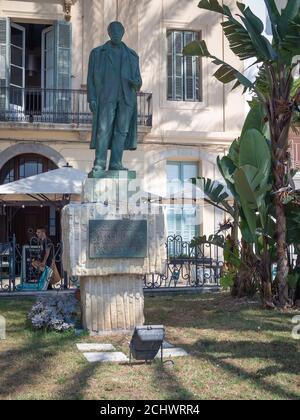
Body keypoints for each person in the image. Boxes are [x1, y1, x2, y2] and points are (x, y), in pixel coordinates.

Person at [87, 21, 142, 173]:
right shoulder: (98, 53)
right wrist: (91, 98)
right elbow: (90, 78)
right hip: (106, 97)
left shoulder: (132, 56)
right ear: (109, 33)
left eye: (119, 31)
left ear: (123, 33)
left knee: (122, 131)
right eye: (113, 31)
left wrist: (137, 83)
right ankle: (99, 163)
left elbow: (138, 80)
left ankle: (116, 163)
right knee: (103, 130)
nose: (116, 34)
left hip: (126, 97)